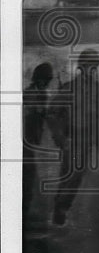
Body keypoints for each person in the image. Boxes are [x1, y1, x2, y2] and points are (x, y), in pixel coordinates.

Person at [52, 49, 99, 227]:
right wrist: (61, 139)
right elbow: (52, 113)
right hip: (72, 139)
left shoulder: (97, 89)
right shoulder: (69, 88)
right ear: (81, 67)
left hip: (87, 139)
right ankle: (60, 209)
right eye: (89, 66)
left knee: (77, 177)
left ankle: (62, 208)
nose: (92, 69)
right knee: (69, 175)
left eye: (94, 66)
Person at [23, 62, 56, 222]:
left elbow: (44, 114)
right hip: (25, 141)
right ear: (38, 79)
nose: (46, 84)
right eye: (44, 80)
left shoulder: (42, 94)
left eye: (47, 81)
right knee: (28, 176)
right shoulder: (28, 94)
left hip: (34, 140)